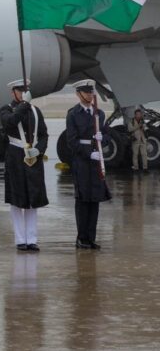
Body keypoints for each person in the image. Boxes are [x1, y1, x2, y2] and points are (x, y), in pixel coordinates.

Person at [0, 79, 48, 252]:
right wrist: (25, 104)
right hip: (15, 157)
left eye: (25, 90)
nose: (23, 93)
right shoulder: (6, 109)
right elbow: (11, 122)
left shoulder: (36, 111)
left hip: (32, 158)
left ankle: (32, 239)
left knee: (32, 199)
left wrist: (39, 150)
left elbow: (43, 134)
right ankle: (20, 239)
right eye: (20, 90)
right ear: (13, 92)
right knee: (17, 200)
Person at [66, 79, 111, 249]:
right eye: (86, 92)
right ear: (79, 94)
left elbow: (106, 135)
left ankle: (91, 237)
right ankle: (81, 238)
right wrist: (88, 153)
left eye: (91, 92)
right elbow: (71, 141)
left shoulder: (99, 114)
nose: (90, 95)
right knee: (83, 201)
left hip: (96, 161)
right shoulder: (73, 114)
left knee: (95, 200)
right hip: (82, 162)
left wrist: (103, 139)